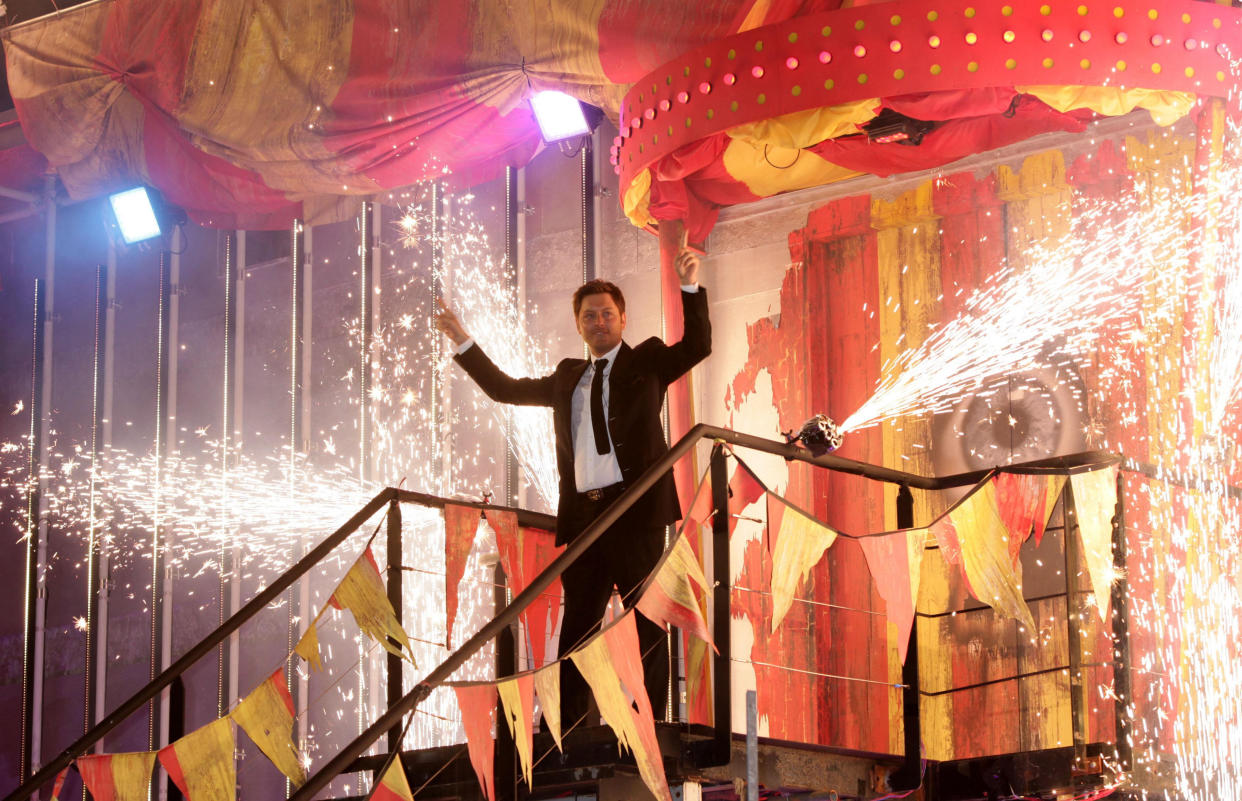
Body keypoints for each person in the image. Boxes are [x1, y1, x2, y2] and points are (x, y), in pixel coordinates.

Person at [435, 247, 710, 726]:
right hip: (585, 520)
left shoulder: (646, 361)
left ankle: (651, 722)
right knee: (576, 632)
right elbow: (505, 389)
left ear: (623, 319)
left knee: (646, 621)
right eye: (589, 316)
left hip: (636, 513)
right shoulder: (568, 376)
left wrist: (689, 286)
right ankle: (572, 731)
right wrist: (463, 344)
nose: (599, 322)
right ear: (579, 326)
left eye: (607, 314)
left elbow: (697, 346)